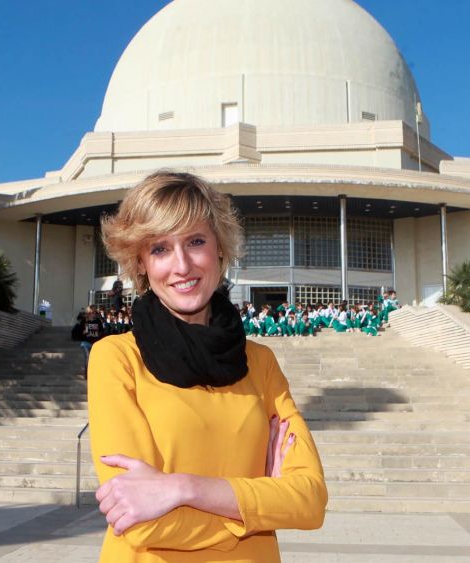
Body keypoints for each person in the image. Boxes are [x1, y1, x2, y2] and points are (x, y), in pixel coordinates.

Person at [89, 171, 327, 562]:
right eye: (160, 249)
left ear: (219, 249)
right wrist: (257, 505)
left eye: (195, 241)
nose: (182, 265)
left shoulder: (260, 362)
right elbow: (142, 523)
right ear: (140, 263)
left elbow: (310, 501)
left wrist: (184, 489)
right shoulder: (117, 358)